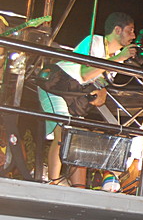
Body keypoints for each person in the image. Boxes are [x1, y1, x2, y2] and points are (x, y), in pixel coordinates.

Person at [38, 12, 137, 187]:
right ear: (117, 30)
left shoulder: (116, 57)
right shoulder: (94, 41)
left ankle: (78, 187)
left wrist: (103, 89)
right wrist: (118, 58)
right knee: (63, 132)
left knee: (77, 137)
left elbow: (99, 80)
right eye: (130, 30)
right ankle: (54, 180)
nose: (133, 36)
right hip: (56, 85)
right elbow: (85, 74)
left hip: (77, 95)